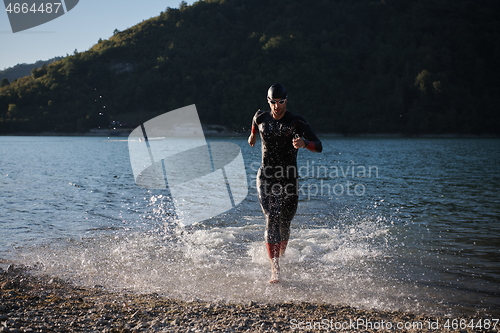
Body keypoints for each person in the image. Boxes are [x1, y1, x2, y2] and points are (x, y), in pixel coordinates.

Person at [248, 84, 322, 283]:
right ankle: (275, 268)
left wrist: (305, 144)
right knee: (272, 215)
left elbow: (319, 145)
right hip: (266, 175)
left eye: (280, 102)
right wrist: (253, 134)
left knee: (285, 220)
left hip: (289, 177)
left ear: (286, 100)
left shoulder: (296, 121)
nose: (277, 106)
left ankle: (279, 255)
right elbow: (255, 120)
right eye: (273, 102)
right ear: (268, 101)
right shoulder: (262, 117)